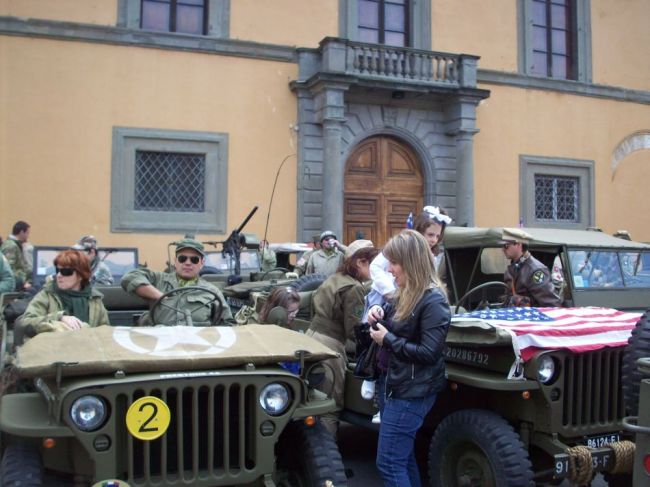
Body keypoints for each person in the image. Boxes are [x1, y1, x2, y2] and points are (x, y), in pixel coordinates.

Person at [366, 230, 450, 486]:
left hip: (411, 392)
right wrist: (378, 312)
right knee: (401, 459)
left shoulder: (433, 300)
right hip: (395, 384)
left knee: (389, 463)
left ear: (410, 262)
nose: (390, 269)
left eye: (394, 263)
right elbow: (396, 324)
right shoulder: (407, 291)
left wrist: (387, 339)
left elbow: (428, 352)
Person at [306, 239, 380, 436]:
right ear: (360, 263)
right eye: (373, 264)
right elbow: (353, 330)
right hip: (329, 346)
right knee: (331, 404)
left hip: (312, 338)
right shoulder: (354, 288)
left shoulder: (335, 278)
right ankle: (327, 457)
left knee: (312, 400)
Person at [121, 237, 233, 326]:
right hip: (161, 344)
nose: (188, 263)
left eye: (194, 259)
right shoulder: (159, 280)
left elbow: (227, 324)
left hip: (198, 347)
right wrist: (158, 295)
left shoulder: (212, 291)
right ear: (175, 261)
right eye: (182, 258)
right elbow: (129, 278)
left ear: (202, 263)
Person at [20, 250, 109, 335]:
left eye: (66, 272)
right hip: (52, 347)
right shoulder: (47, 294)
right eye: (57, 271)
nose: (59, 275)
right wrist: (59, 317)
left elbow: (105, 332)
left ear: (81, 275)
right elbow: (26, 322)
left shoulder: (94, 299)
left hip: (87, 347)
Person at [501, 228, 562, 307]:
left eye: (506, 246)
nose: (502, 249)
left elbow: (552, 305)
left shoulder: (536, 270)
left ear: (519, 245)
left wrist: (523, 302)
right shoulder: (514, 267)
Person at [1, 220, 32, 290]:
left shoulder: (16, 245)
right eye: (27, 233)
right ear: (21, 232)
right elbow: (8, 269)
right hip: (15, 285)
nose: (28, 236)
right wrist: (22, 282)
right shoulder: (11, 246)